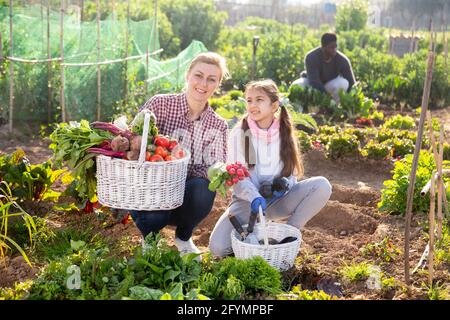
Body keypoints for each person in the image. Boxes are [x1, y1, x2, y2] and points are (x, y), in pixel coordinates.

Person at [209, 79, 332, 257]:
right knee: (218, 248)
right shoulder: (241, 133)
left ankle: (288, 237)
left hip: (278, 200)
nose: (252, 105)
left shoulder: (284, 131)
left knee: (322, 186)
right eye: (249, 100)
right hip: (248, 203)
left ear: (274, 105)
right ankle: (249, 243)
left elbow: (291, 172)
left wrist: (283, 185)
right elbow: (239, 178)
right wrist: (254, 196)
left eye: (259, 100)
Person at [130, 52, 229, 259]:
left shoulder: (218, 125)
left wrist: (214, 171)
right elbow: (133, 139)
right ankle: (150, 237)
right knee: (157, 199)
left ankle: (183, 237)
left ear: (217, 84)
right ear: (187, 75)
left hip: (184, 195)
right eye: (198, 75)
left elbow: (213, 167)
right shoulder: (159, 105)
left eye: (212, 79)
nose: (203, 83)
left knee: (204, 188)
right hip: (150, 190)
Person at [291, 32, 356, 104]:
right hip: (312, 84)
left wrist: (352, 100)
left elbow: (352, 83)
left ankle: (334, 105)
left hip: (330, 84)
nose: (334, 50)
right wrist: (327, 98)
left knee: (343, 83)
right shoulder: (311, 57)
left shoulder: (342, 60)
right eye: (331, 47)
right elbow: (314, 82)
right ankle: (304, 107)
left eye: (335, 46)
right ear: (323, 47)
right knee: (296, 85)